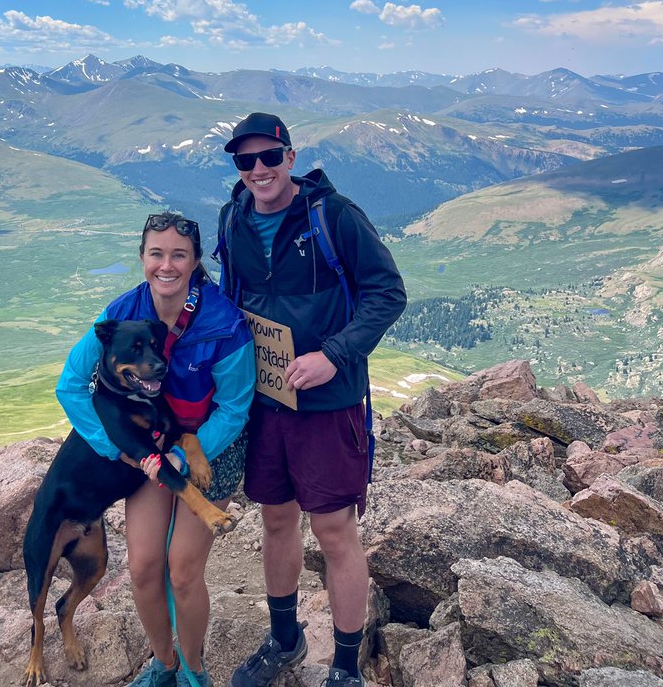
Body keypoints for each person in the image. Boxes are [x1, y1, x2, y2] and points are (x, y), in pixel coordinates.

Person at [216, 113, 406, 687]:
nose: (258, 170)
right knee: (276, 520)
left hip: (329, 403)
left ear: (290, 158)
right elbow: (231, 296)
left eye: (268, 157)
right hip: (265, 399)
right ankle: (284, 640)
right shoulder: (234, 219)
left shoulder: (334, 216)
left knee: (333, 531)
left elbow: (387, 292)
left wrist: (334, 354)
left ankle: (345, 667)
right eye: (245, 161)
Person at [56, 212, 255, 687]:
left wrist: (182, 457)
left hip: (211, 451)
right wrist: (111, 448)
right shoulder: (120, 313)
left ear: (194, 261)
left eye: (178, 255)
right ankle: (163, 665)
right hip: (149, 452)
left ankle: (194, 670)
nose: (166, 265)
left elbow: (234, 409)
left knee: (182, 571)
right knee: (144, 567)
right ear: (143, 258)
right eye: (156, 254)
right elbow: (70, 385)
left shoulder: (224, 323)